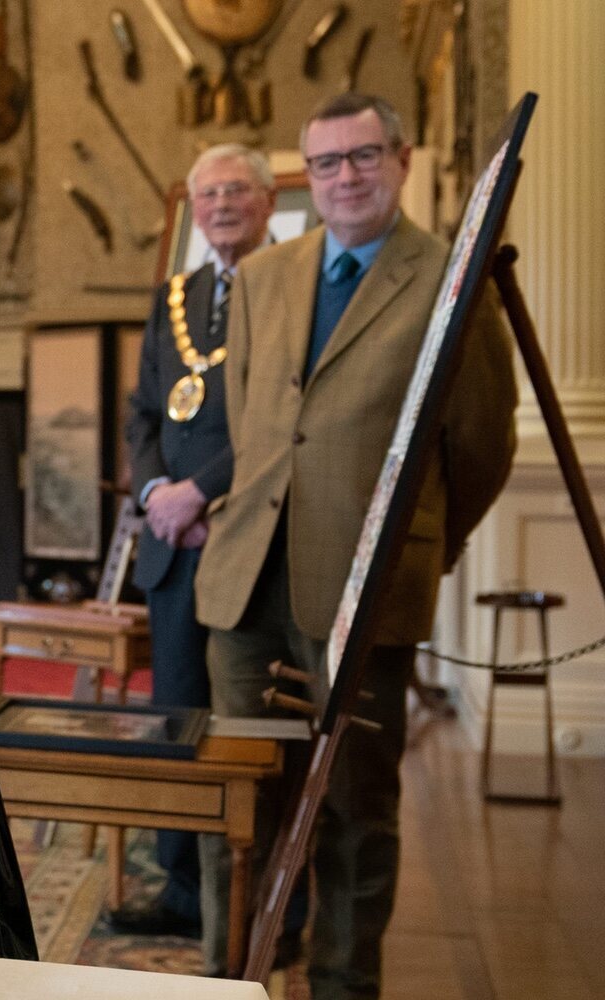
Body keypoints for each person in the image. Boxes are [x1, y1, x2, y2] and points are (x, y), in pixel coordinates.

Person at [195, 93, 517, 995]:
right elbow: (256, 426)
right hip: (247, 587)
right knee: (240, 801)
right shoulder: (266, 274)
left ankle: (342, 985)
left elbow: (484, 445)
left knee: (352, 811)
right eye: (327, 162)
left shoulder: (451, 279)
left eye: (363, 156)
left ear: (402, 160)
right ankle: (235, 978)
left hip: (362, 593)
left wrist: (424, 552)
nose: (345, 177)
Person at [115, 144, 274, 939]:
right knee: (176, 716)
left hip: (251, 540)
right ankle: (181, 895)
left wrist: (200, 491)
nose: (219, 204)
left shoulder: (292, 289)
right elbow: (143, 411)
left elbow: (282, 417)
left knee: (245, 729)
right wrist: (155, 494)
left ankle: (262, 899)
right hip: (174, 544)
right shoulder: (178, 295)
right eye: (207, 192)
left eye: (236, 189)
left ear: (269, 199)